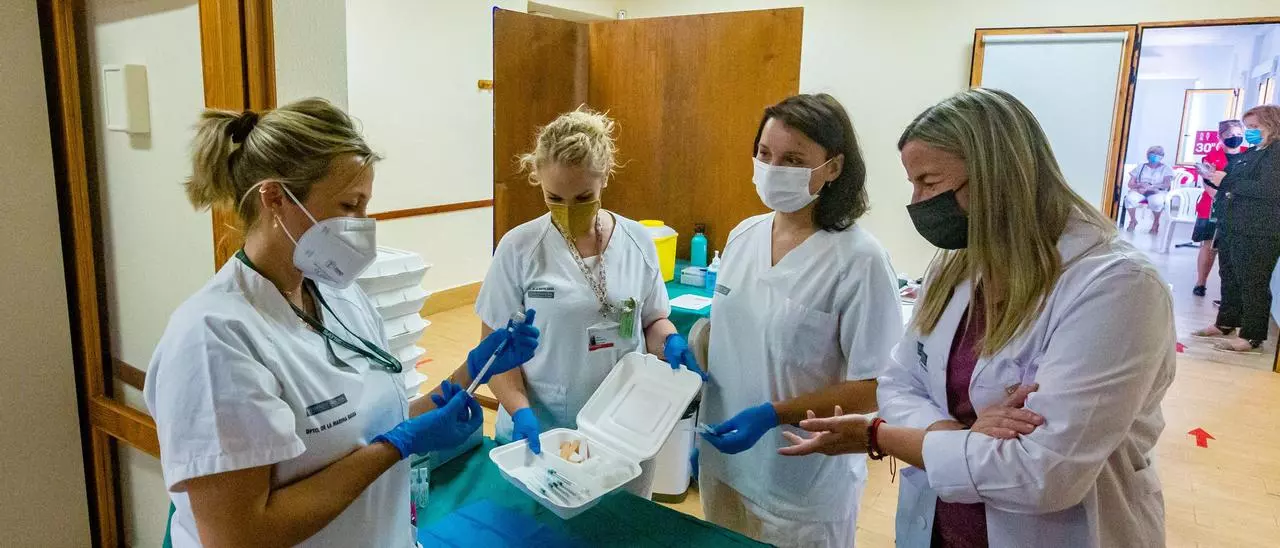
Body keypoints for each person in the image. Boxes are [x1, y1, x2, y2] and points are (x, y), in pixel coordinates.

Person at [779, 88, 1175, 547]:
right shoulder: (958, 262)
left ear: (995, 177)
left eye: (929, 182)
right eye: (913, 184)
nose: (917, 201)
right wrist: (960, 436)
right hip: (940, 525)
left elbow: (1042, 475)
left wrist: (882, 437)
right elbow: (897, 383)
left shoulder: (1116, 286)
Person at [144, 98, 540, 547]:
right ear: (275, 198)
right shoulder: (213, 339)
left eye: (365, 206)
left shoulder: (339, 296)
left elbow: (370, 428)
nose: (362, 225)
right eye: (349, 205)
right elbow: (239, 535)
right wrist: (396, 447)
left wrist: (473, 371)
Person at [695, 94, 903, 548]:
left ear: (833, 167)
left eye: (792, 160)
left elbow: (877, 384)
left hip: (800, 486)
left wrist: (774, 414)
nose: (773, 169)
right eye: (764, 154)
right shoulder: (744, 236)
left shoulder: (859, 260)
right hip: (724, 463)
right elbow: (732, 336)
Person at [478, 107, 704, 497]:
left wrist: (669, 340)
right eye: (554, 198)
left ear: (605, 178)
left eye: (583, 197)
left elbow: (652, 320)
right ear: (539, 182)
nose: (568, 210)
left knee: (621, 523)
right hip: (545, 430)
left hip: (623, 431)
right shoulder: (519, 248)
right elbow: (493, 349)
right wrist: (520, 410)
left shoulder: (636, 241)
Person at [1192, 105, 1280, 353]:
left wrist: (1227, 180)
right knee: (1229, 275)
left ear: (1272, 125)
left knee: (1253, 281)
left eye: (1254, 127)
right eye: (1247, 127)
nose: (1249, 132)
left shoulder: (1276, 153)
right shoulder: (1252, 152)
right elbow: (1232, 178)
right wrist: (1213, 175)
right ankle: (1226, 322)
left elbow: (1269, 190)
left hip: (1259, 229)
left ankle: (1252, 335)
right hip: (1233, 224)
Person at [1191, 120, 1248, 297]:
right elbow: (1208, 183)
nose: (1234, 138)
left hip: (1240, 207)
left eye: (1238, 134)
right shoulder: (1211, 157)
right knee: (1209, 245)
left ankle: (1229, 292)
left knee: (1232, 248)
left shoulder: (1249, 155)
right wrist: (1223, 198)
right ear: (1221, 136)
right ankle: (1201, 283)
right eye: (1230, 135)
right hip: (1212, 206)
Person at [1124, 145, 1175, 234]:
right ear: (1147, 155)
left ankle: (1156, 222)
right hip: (1140, 191)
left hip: (1157, 192)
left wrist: (1152, 187)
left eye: (1158, 154)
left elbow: (1166, 185)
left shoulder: (1166, 168)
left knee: (1157, 202)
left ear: (1162, 156)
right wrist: (1140, 185)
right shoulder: (1141, 167)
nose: (1155, 156)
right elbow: (1130, 184)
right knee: (1130, 199)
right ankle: (1133, 220)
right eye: (1152, 153)